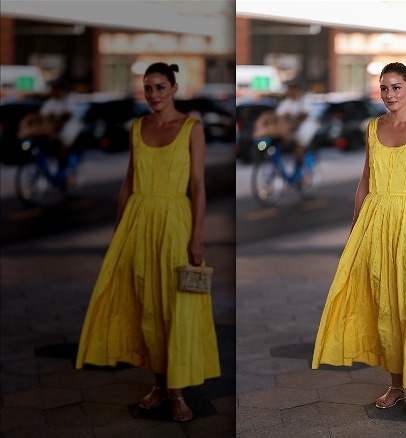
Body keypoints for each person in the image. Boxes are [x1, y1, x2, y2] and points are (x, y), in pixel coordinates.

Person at [75, 62, 221, 422]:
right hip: (138, 223)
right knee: (147, 306)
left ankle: (177, 390)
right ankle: (159, 384)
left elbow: (199, 186)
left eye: (159, 87)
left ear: (173, 88)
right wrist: (118, 232)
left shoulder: (192, 127)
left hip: (175, 223)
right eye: (148, 88)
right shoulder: (138, 127)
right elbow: (128, 183)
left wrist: (197, 236)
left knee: (178, 305)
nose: (153, 94)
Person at [312, 62, 406, 422]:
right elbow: (364, 182)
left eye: (396, 87)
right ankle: (395, 384)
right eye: (384, 88)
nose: (389, 94)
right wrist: (354, 230)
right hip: (374, 222)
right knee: (383, 304)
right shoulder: (373, 127)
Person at [275, 81, 315, 179]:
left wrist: (291, 120)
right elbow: (278, 115)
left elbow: (305, 115)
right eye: (289, 89)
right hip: (292, 128)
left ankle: (302, 173)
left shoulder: (305, 99)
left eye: (292, 89)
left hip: (306, 127)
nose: (290, 92)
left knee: (299, 148)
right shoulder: (287, 102)